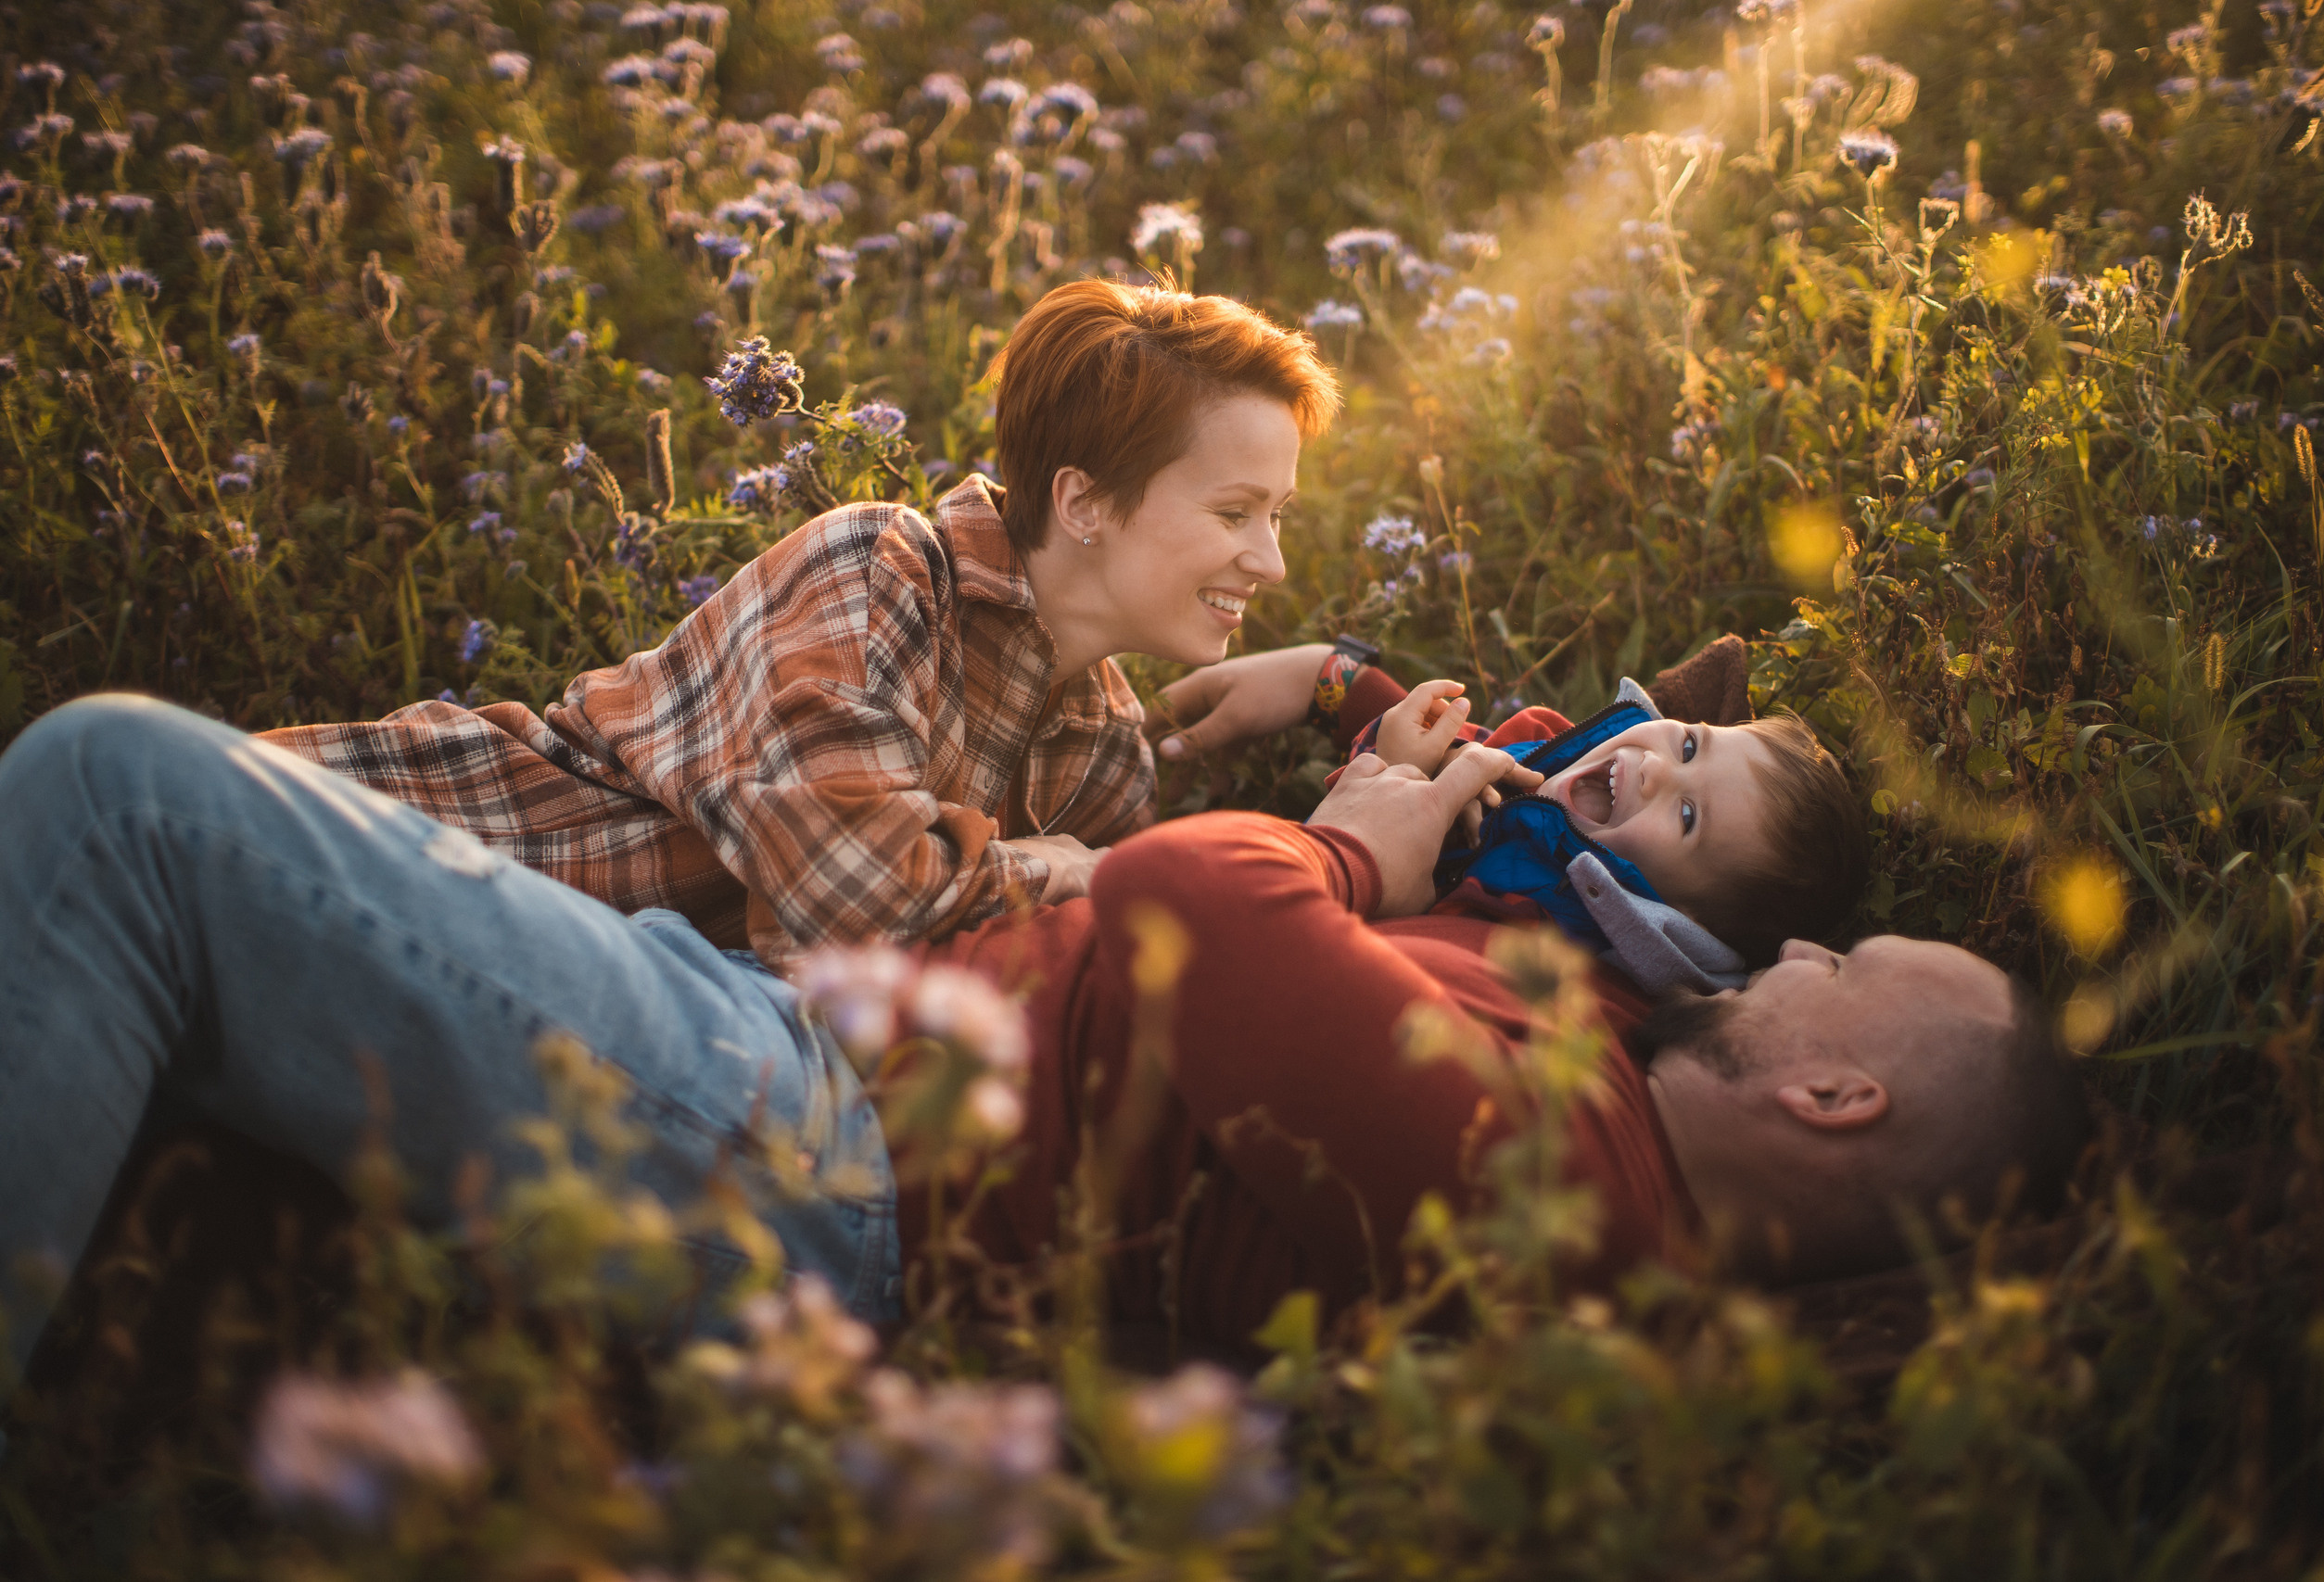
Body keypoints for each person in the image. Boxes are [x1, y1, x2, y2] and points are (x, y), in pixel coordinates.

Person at [0, 691, 2088, 1379]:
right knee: (153, 913)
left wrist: (1347, 851)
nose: (1795, 949)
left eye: (1847, 956)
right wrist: (1492, 797)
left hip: (804, 1147)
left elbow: (1190, 897)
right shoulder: (1580, 1075)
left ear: (1836, 1088)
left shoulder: (1548, 1178)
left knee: (118, 796)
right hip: (795, 1059)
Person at [266, 279, 1341, 966]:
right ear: (1084, 503)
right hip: (363, 858)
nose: (1270, 558)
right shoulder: (880, 572)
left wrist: (1337, 686)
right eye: (1234, 512)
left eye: (1277, 515)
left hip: (518, 1031)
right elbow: (852, 914)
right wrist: (1064, 869)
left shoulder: (1102, 759)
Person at [1341, 668, 1868, 989]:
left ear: (1679, 916)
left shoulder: (1538, 936)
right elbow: (1381, 767)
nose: (1657, 767)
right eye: (1688, 746)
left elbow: (1373, 944)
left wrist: (1389, 791)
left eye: (1688, 816)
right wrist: (1406, 759)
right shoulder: (1539, 739)